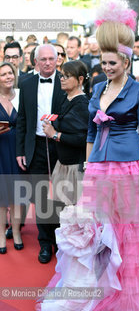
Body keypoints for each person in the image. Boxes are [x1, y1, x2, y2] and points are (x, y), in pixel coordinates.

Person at [38, 0, 139, 311]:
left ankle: (133, 288)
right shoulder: (96, 88)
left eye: (112, 63)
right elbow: (92, 134)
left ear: (124, 60)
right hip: (100, 166)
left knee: (130, 230)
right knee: (99, 228)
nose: (107, 68)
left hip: (132, 164)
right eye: (104, 63)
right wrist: (87, 164)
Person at [16, 44, 65, 264]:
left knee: (63, 193)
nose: (47, 63)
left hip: (60, 143)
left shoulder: (67, 81)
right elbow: (22, 121)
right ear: (35, 61)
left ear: (57, 60)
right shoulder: (26, 84)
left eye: (51, 59)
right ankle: (45, 242)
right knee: (41, 194)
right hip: (35, 144)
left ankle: (62, 239)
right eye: (42, 59)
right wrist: (20, 151)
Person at [42, 60, 89, 205]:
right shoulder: (64, 98)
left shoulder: (82, 104)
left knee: (73, 215)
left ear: (80, 79)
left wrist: (55, 134)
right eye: (61, 75)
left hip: (75, 167)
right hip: (62, 164)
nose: (62, 79)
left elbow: (83, 139)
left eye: (67, 76)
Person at [0, 62, 23, 254]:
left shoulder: (21, 96)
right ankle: (1, 235)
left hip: (18, 151)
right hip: (0, 150)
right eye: (3, 74)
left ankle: (15, 232)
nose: (8, 76)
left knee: (17, 195)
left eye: (10, 73)